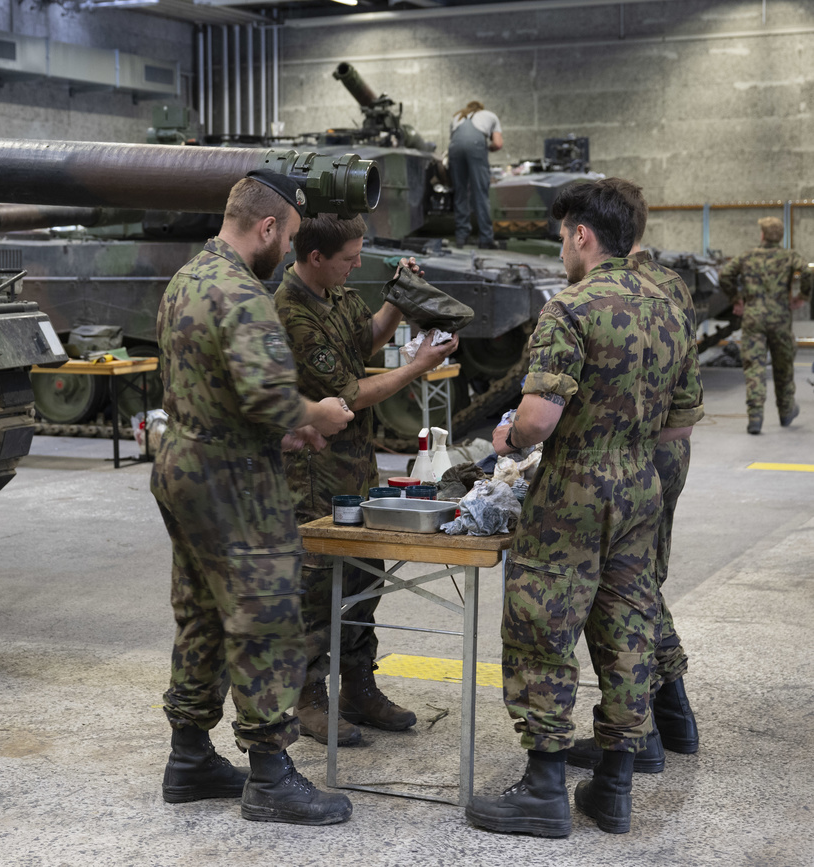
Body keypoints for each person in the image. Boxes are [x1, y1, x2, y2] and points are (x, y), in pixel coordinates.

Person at [465, 180, 703, 837]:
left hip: (572, 492)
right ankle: (614, 785)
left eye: (561, 236)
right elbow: (679, 426)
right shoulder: (668, 304)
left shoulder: (572, 307)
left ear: (581, 235)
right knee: (628, 625)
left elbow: (539, 417)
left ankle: (542, 788)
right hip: (639, 487)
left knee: (542, 625)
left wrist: (507, 438)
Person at [152, 169, 355, 826]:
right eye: (291, 236)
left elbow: (196, 382)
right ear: (268, 227)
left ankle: (188, 756)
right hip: (235, 480)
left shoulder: (186, 280)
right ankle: (270, 772)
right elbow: (270, 397)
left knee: (202, 610)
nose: (290, 251)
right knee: (266, 614)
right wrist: (316, 415)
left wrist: (277, 431)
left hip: (185, 463)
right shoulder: (243, 294)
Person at [273, 213, 459, 746]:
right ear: (314, 258)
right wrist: (418, 367)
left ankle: (357, 687)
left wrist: (398, 300)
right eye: (349, 258)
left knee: (364, 579)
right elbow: (349, 394)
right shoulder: (292, 314)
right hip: (311, 476)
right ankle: (307, 698)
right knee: (317, 587)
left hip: (355, 467)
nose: (357, 265)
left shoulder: (335, 292)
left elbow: (366, 340)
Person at [567, 179, 701, 776]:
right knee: (641, 582)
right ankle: (673, 717)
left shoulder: (603, 288)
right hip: (666, 449)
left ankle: (641, 733)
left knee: (621, 590)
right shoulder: (671, 283)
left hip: (620, 452)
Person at [719, 217, 808, 434]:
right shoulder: (789, 256)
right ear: (781, 236)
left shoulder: (747, 256)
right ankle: (786, 411)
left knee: (754, 367)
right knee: (784, 365)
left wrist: (736, 299)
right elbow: (806, 271)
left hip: (754, 318)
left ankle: (755, 417)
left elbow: (725, 275)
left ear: (762, 235)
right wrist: (802, 296)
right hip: (780, 319)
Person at [448, 100, 503, 249]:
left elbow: (454, 139)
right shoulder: (490, 116)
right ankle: (485, 238)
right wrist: (488, 148)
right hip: (475, 147)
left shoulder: (458, 116)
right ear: (481, 108)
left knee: (460, 193)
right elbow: (498, 144)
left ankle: (461, 237)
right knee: (480, 193)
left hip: (455, 149)